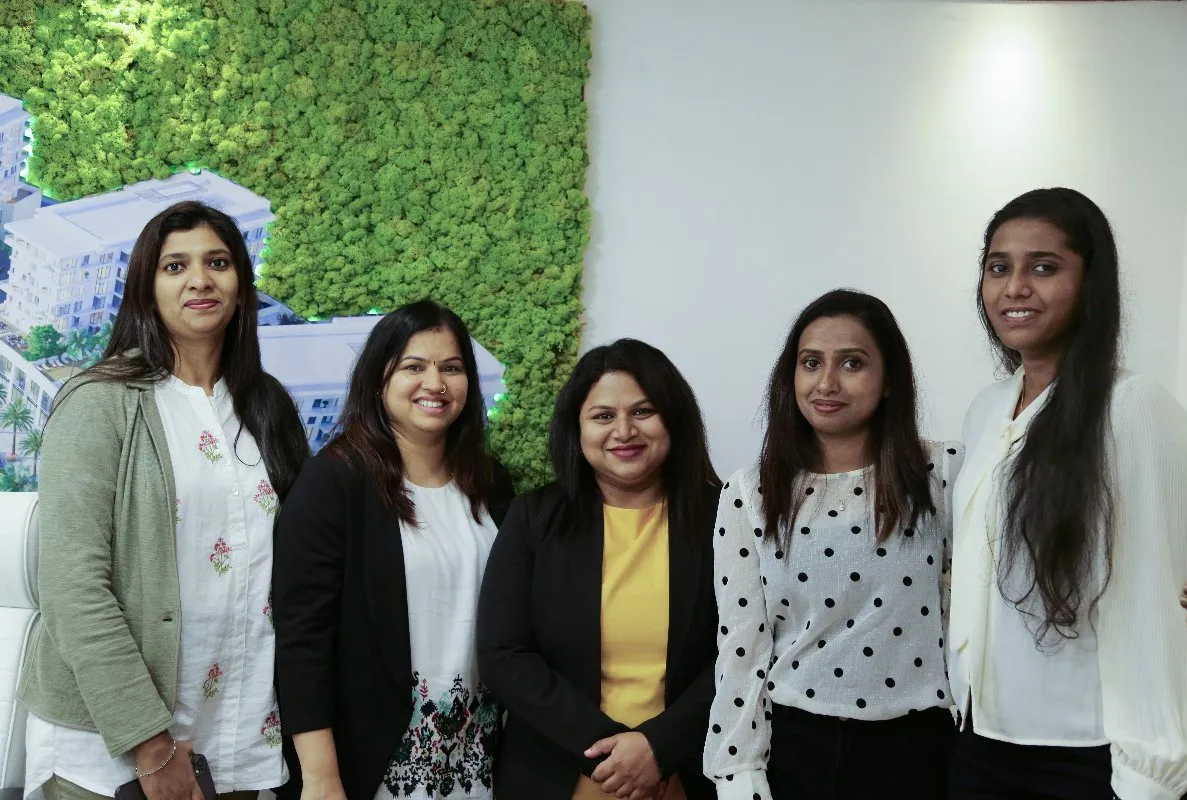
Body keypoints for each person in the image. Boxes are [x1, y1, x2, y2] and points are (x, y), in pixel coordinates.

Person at [19, 200, 310, 800]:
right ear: (146, 289)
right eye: (175, 266)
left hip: (240, 736)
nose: (200, 279)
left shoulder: (268, 409)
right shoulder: (99, 401)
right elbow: (73, 589)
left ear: (241, 287)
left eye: (218, 262)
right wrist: (151, 746)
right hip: (112, 746)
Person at [947, 188, 1187, 800]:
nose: (1015, 287)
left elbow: (1155, 603)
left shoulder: (1135, 408)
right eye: (998, 267)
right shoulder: (986, 411)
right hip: (978, 741)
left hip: (1087, 755)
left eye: (1044, 267)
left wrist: (1151, 777)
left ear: (1091, 284)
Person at [703, 289, 961, 799]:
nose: (827, 383)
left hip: (919, 747)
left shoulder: (944, 473)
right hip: (798, 747)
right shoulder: (750, 493)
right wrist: (737, 771)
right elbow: (742, 644)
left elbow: (968, 612)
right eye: (811, 362)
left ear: (889, 380)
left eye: (852, 363)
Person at [273, 301, 514, 800]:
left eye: (451, 368)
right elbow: (302, 639)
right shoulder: (334, 481)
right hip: (370, 766)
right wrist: (320, 777)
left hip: (477, 758)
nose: (435, 383)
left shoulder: (489, 483)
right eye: (413, 367)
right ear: (378, 379)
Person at [477, 339, 721, 800]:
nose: (624, 431)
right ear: (577, 428)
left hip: (686, 772)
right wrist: (613, 753)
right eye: (603, 416)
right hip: (557, 773)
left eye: (643, 411)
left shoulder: (726, 517)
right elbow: (503, 653)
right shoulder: (533, 518)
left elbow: (744, 651)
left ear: (674, 418)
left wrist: (657, 747)